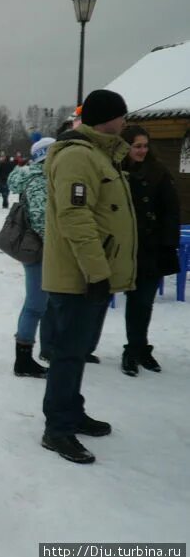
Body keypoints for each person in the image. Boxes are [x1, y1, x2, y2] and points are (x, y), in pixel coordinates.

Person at [41, 89, 136, 464]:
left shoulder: (99, 155)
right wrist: (97, 272)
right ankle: (58, 428)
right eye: (122, 116)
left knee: (79, 351)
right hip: (77, 276)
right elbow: (76, 218)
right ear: (107, 118)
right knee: (67, 353)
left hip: (93, 274)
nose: (125, 122)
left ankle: (71, 411)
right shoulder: (79, 157)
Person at [119, 125, 180, 376]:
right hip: (124, 247)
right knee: (124, 300)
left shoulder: (158, 172)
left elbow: (171, 209)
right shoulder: (116, 172)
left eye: (145, 145)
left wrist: (168, 243)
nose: (142, 150)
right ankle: (130, 348)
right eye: (137, 146)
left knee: (143, 301)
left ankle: (137, 348)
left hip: (152, 248)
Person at [8, 137, 56, 378]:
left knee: (42, 304)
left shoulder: (43, 178)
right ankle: (23, 359)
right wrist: (58, 248)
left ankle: (44, 350)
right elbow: (41, 220)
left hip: (42, 249)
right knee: (35, 305)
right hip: (39, 250)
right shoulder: (39, 181)